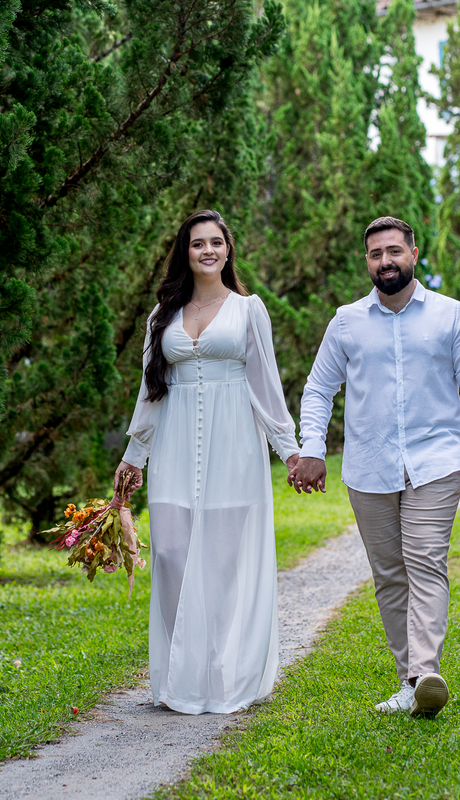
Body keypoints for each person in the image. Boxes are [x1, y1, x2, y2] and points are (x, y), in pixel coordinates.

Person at [288, 215, 460, 718]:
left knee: (425, 560)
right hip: (369, 467)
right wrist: (313, 449)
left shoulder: (451, 317)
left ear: (413, 254)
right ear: (367, 262)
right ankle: (410, 683)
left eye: (393, 251)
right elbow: (318, 389)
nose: (385, 261)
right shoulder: (347, 322)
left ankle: (424, 673)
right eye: (375, 254)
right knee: (389, 574)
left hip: (436, 463)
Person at [115, 210, 300, 715]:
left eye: (216, 242)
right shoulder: (162, 316)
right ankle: (182, 677)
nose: (208, 250)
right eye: (198, 243)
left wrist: (290, 451)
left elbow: (266, 385)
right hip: (173, 447)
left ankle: (221, 677)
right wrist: (134, 456)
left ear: (227, 250)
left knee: (220, 565)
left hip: (234, 447)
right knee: (171, 555)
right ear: (186, 252)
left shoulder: (248, 310)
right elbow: (150, 390)